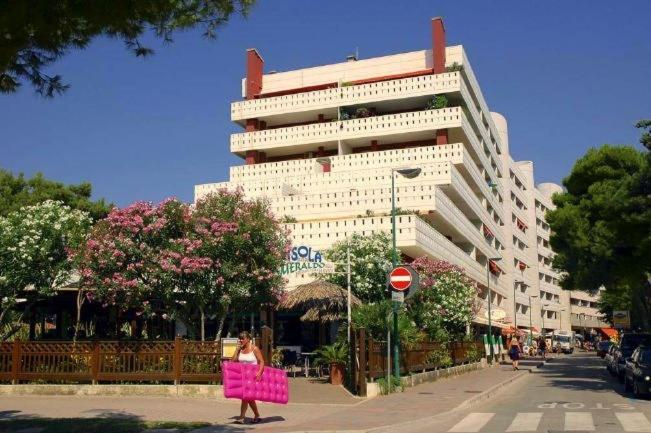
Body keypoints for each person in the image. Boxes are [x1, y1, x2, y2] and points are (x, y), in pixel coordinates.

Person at [231, 331, 265, 424]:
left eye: (242, 338)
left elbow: (262, 361)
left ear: (248, 339)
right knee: (247, 397)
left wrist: (260, 372)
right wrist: (237, 350)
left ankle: (242, 417)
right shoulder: (240, 350)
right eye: (240, 338)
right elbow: (233, 361)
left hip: (253, 377)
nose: (240, 340)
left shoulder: (254, 349)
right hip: (243, 377)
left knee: (246, 397)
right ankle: (256, 416)